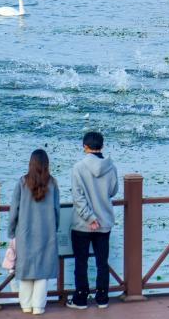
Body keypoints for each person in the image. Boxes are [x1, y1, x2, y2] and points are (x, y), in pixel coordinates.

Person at [68, 131, 118, 310]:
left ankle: (80, 298)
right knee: (102, 262)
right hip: (104, 222)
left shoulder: (78, 167)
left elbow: (77, 197)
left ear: (85, 147)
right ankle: (102, 297)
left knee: (81, 261)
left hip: (82, 224)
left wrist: (90, 218)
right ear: (102, 147)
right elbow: (113, 191)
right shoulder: (111, 167)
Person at [8, 149, 60, 316]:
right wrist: (55, 227)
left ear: (30, 163)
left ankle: (26, 305)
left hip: (25, 232)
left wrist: (11, 231)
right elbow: (57, 210)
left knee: (25, 269)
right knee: (43, 271)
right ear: (46, 165)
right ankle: (38, 306)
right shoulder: (52, 183)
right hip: (46, 232)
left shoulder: (22, 182)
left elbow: (13, 211)